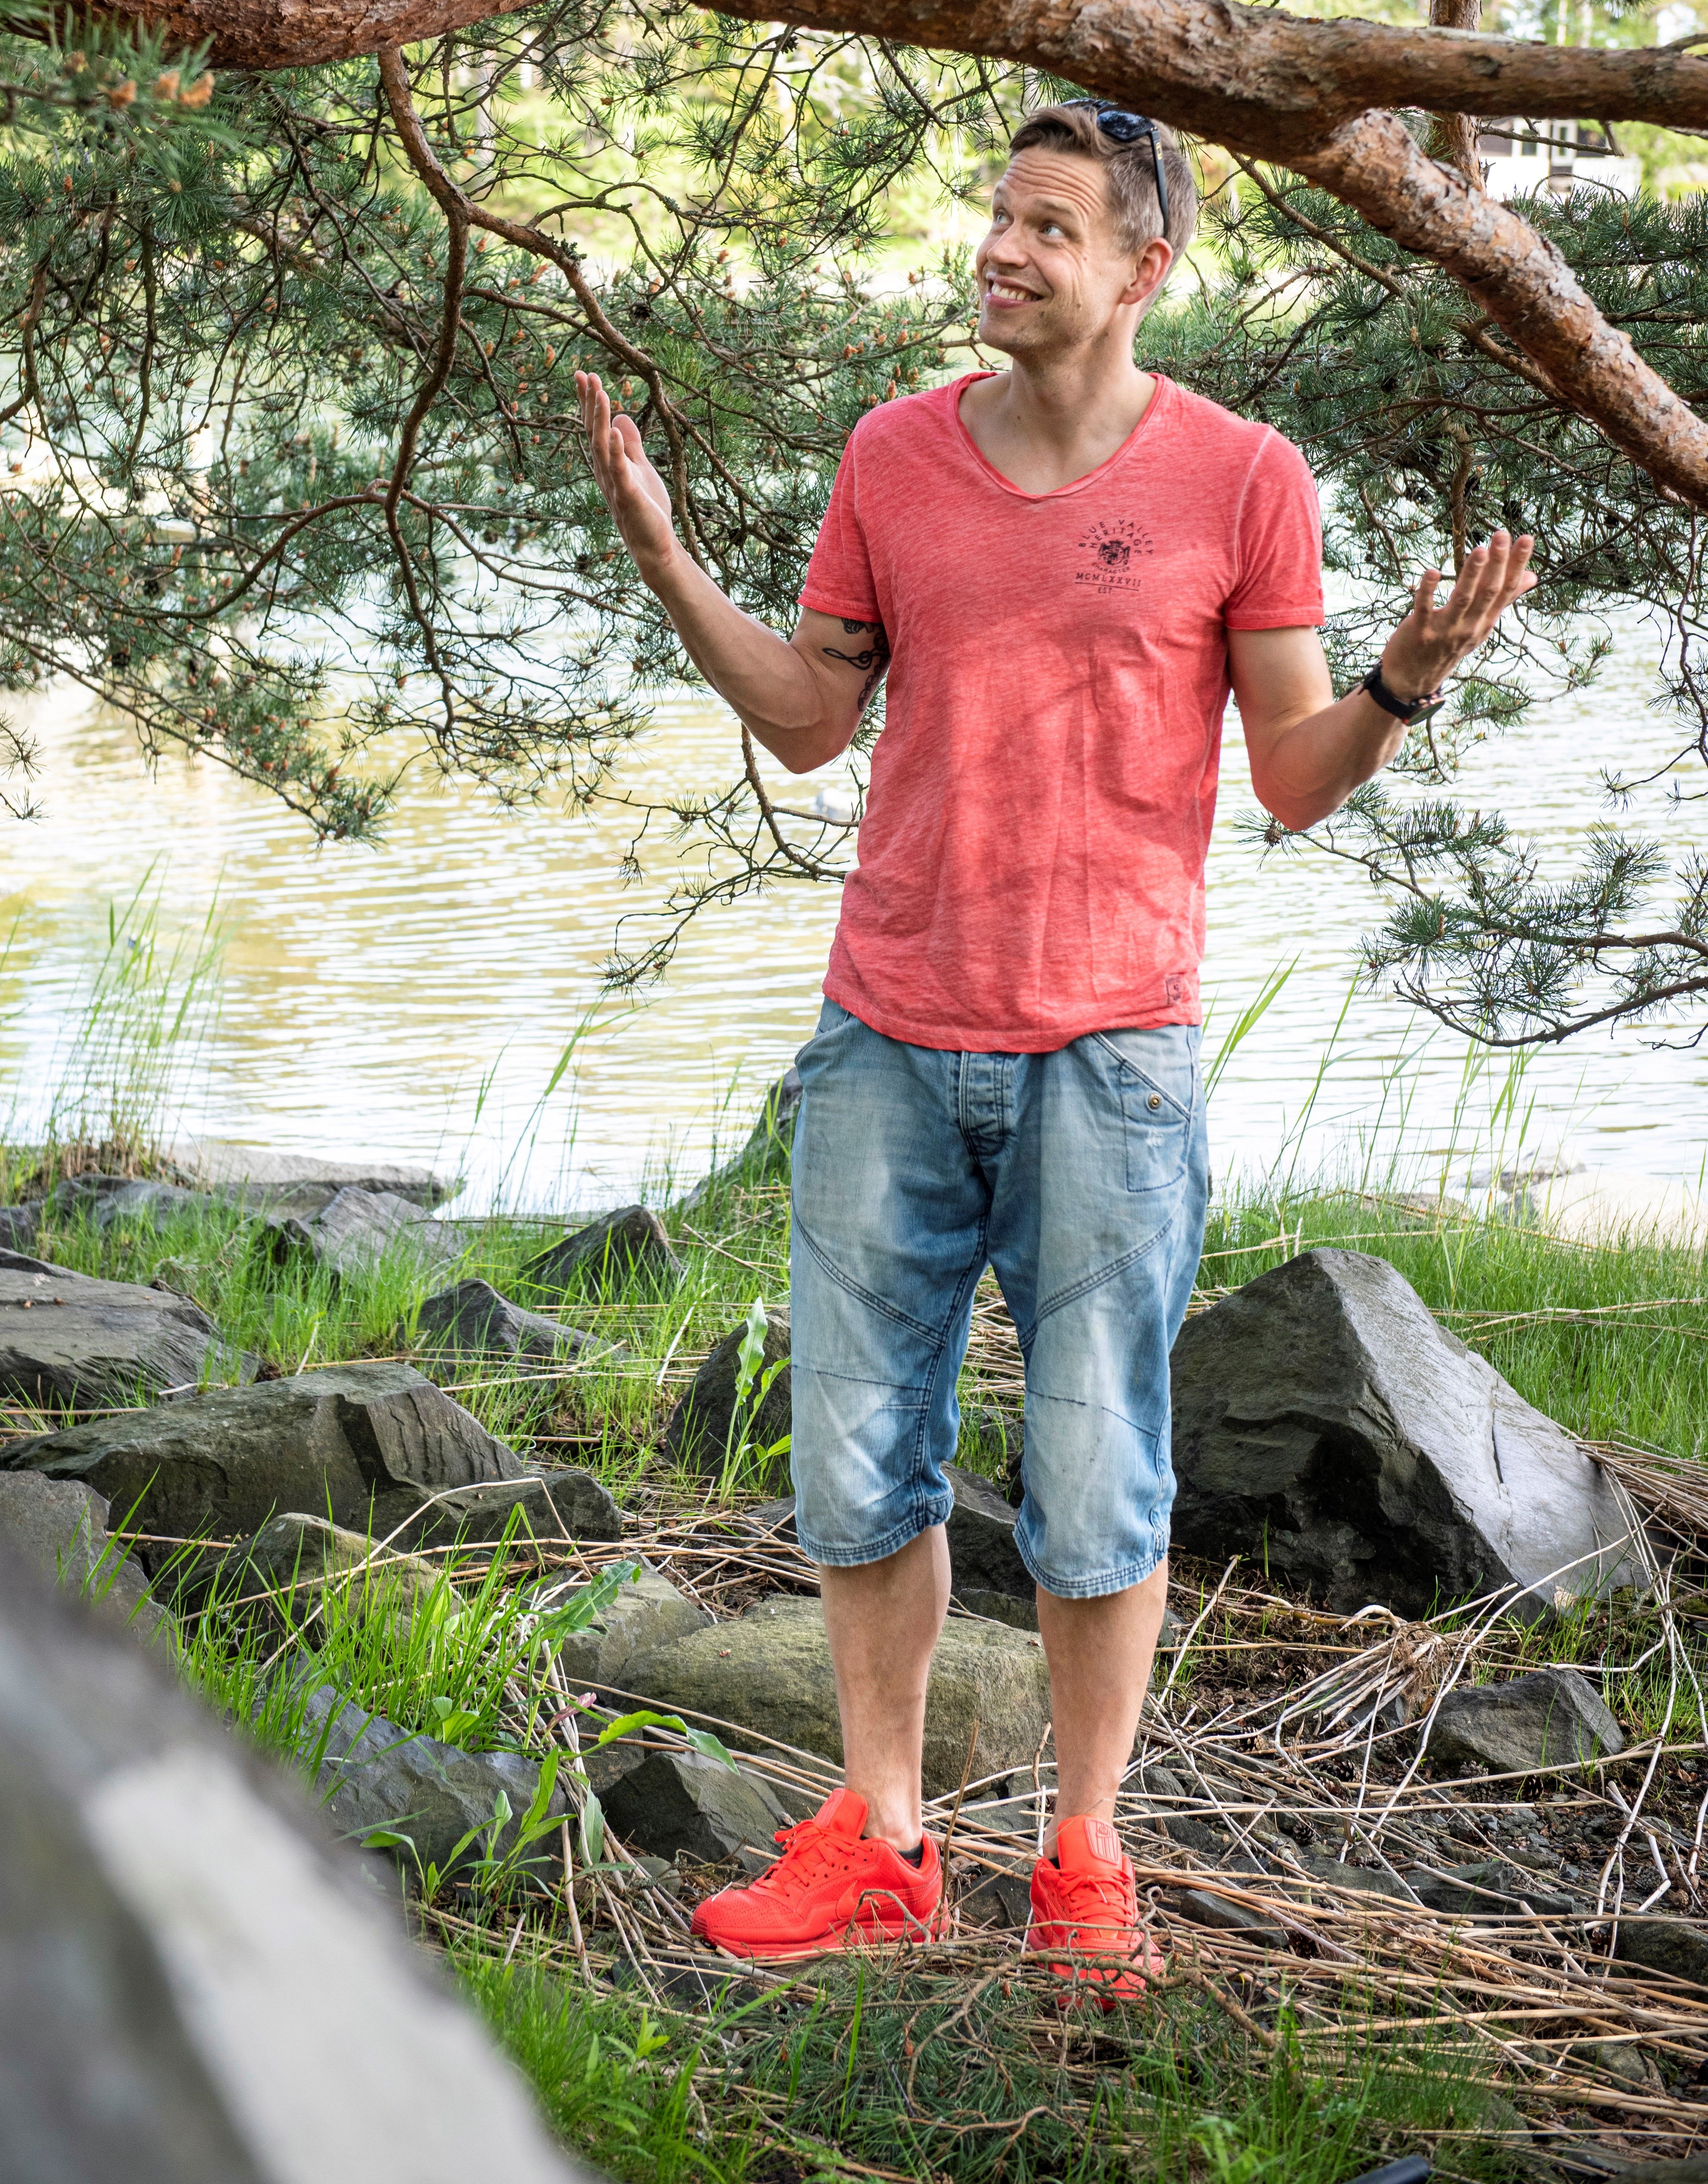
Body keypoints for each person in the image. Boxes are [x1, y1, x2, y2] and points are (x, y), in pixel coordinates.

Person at [574, 98, 1535, 1986]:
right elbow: (803, 724)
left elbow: (1289, 780)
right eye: (997, 216)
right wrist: (669, 559)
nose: (1002, 250)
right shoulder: (892, 458)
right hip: (884, 1037)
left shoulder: (1243, 479)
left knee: (1098, 1475)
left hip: (1111, 1052)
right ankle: (881, 1834)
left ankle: (1087, 1858)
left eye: (1049, 227)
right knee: (858, 1462)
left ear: (1140, 269)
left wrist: (1404, 680)